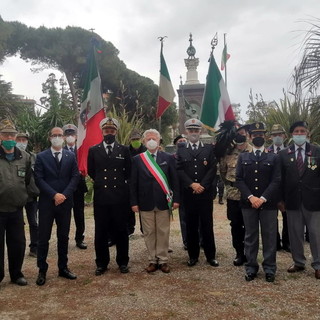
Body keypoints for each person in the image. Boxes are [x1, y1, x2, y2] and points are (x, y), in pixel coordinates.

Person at [235, 122, 280, 282]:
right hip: (248, 204)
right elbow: (239, 179)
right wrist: (251, 197)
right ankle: (251, 267)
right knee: (250, 236)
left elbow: (276, 180)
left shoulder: (273, 157)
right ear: (250, 137)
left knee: (269, 236)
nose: (258, 137)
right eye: (255, 135)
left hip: (268, 204)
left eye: (261, 135)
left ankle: (269, 268)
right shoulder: (243, 157)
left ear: (265, 136)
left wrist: (262, 198)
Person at [34, 127, 79, 286]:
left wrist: (64, 195)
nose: (58, 137)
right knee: (43, 238)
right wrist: (54, 195)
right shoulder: (41, 157)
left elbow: (75, 177)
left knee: (63, 236)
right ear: (49, 137)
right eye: (55, 135)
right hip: (47, 203)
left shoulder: (71, 156)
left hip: (65, 203)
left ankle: (63, 267)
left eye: (61, 135)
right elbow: (39, 179)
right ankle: (42, 270)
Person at [130, 129, 179, 273]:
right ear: (144, 141)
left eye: (154, 138)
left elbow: (174, 181)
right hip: (145, 202)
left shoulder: (168, 158)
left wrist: (176, 200)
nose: (151, 141)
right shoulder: (138, 159)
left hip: (164, 201)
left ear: (159, 141)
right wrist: (133, 202)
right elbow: (133, 183)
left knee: (163, 231)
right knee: (149, 232)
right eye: (149, 138)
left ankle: (163, 260)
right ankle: (152, 260)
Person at [87, 117, 131, 275]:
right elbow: (92, 171)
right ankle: (101, 263)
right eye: (106, 130)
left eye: (112, 131)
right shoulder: (93, 150)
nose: (109, 133)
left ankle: (123, 262)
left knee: (121, 230)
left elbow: (128, 171)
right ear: (102, 131)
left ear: (116, 132)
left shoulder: (124, 150)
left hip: (119, 197)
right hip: (102, 197)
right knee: (101, 232)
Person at [278, 121, 320, 280]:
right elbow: (279, 179)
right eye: (297, 131)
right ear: (291, 135)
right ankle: (299, 262)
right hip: (292, 200)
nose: (300, 134)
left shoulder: (317, 151)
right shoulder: (283, 154)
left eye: (303, 131)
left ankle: (318, 264)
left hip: (314, 200)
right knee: (295, 234)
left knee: (316, 234)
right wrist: (280, 200)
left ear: (308, 133)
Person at [177, 118, 218, 267]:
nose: (193, 133)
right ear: (186, 132)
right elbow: (179, 169)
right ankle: (193, 256)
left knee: (207, 225)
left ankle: (210, 256)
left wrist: (202, 185)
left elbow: (212, 169)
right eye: (191, 130)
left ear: (200, 131)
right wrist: (191, 184)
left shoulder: (208, 149)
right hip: (189, 194)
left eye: (196, 130)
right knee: (191, 226)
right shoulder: (181, 149)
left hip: (204, 193)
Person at [0, 120, 32, 286]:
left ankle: (16, 274)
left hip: (16, 209)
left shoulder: (24, 157)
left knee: (18, 243)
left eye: (12, 134)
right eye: (5, 134)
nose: (9, 137)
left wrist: (27, 198)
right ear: (0, 136)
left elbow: (28, 180)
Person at [220, 124, 252, 266]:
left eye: (242, 132)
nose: (240, 135)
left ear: (247, 134)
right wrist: (229, 187)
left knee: (250, 225)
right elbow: (222, 172)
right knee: (236, 225)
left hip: (250, 195)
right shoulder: (228, 153)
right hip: (233, 196)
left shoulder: (253, 151)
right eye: (237, 133)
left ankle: (250, 252)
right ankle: (239, 253)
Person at [62, 124, 88, 250]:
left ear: (77, 136)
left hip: (78, 187)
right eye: (67, 134)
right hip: (65, 187)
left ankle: (79, 239)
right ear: (64, 136)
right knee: (64, 215)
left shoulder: (82, 150)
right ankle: (63, 239)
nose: (70, 137)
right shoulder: (59, 150)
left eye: (72, 134)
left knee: (79, 214)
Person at [267, 124, 290, 252]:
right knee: (271, 219)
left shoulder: (290, 151)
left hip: (286, 192)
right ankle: (275, 242)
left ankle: (287, 242)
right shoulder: (266, 151)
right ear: (270, 137)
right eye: (274, 135)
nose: (277, 137)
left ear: (285, 136)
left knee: (287, 218)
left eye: (280, 134)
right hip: (271, 192)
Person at [16, 132, 39, 257]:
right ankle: (19, 248)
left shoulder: (33, 156)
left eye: (23, 140)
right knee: (18, 224)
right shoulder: (12, 157)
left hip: (31, 195)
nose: (21, 142)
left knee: (33, 222)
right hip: (17, 195)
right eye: (18, 139)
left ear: (27, 142)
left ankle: (34, 247)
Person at [127, 129, 147, 236]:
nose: (135, 141)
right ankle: (130, 229)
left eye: (137, 139)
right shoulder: (126, 151)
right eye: (133, 139)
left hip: (143, 182)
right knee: (130, 207)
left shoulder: (146, 150)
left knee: (144, 206)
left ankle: (144, 229)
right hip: (130, 182)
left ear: (141, 140)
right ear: (130, 140)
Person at [173, 134, 188, 250]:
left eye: (184, 140)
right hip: (181, 192)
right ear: (176, 145)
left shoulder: (192, 154)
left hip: (193, 190)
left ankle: (200, 240)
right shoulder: (172, 157)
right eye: (180, 141)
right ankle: (186, 241)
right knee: (184, 219)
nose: (182, 142)